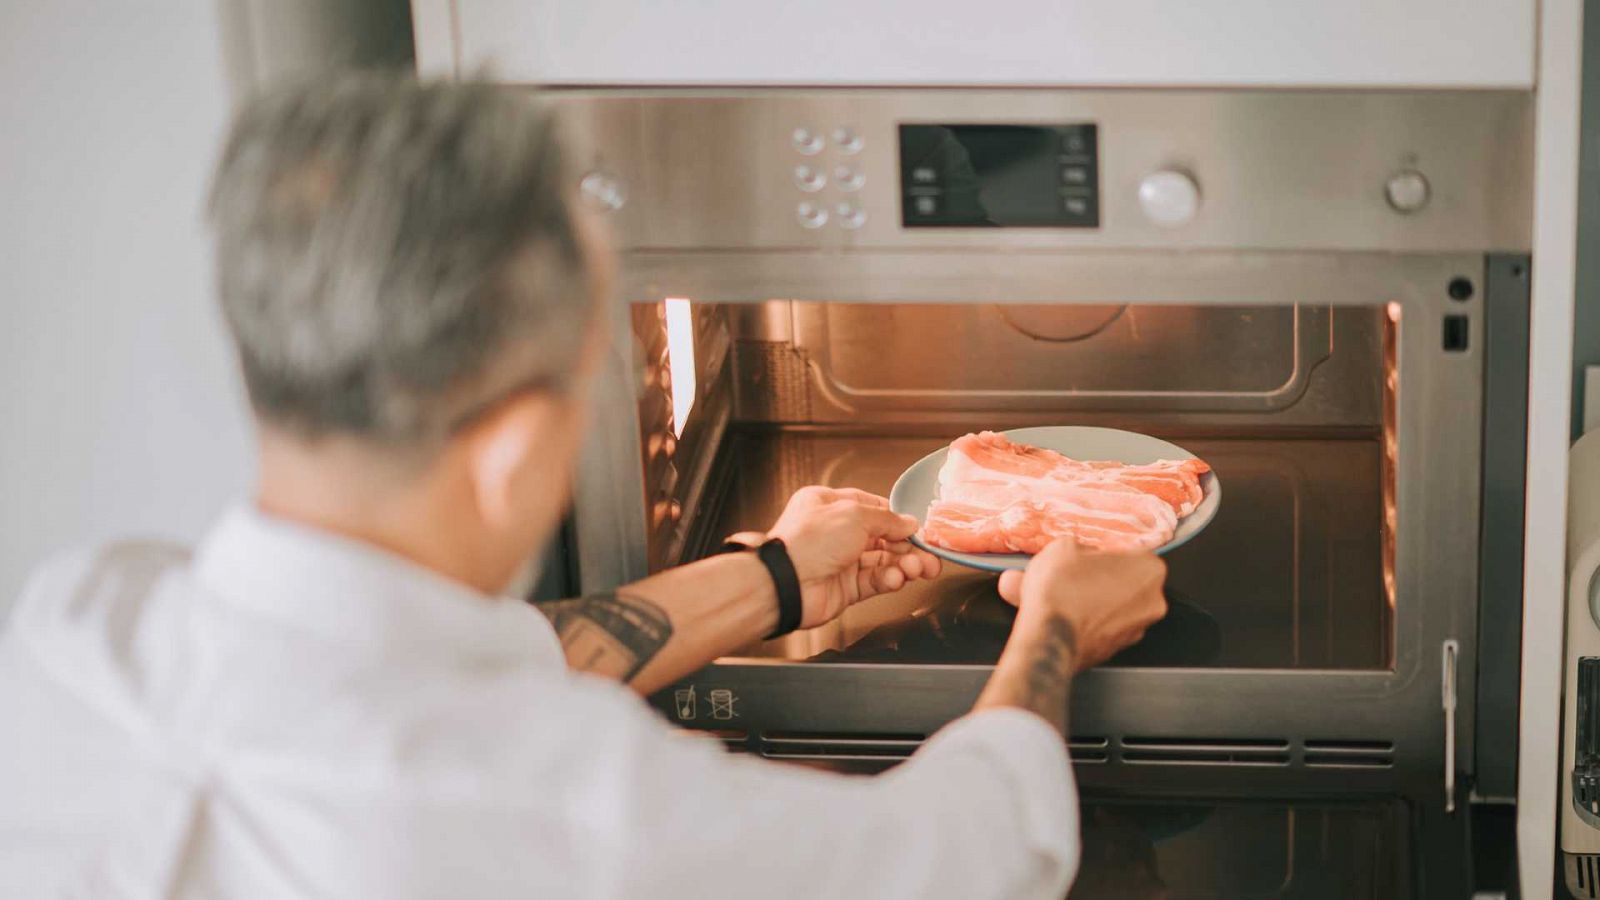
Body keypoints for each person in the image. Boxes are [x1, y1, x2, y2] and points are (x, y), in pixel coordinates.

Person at [0, 76, 1168, 899]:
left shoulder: (74, 623)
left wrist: (772, 579)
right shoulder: (578, 817)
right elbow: (967, 858)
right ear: (512, 449)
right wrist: (1056, 623)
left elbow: (409, 671)